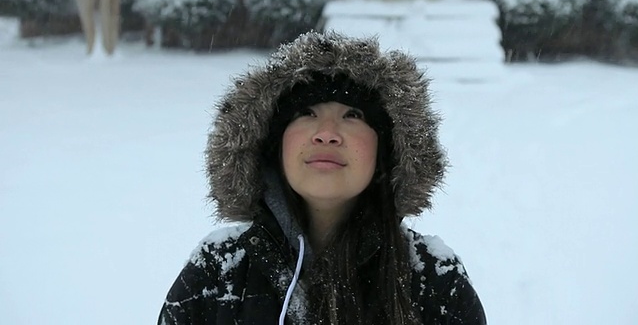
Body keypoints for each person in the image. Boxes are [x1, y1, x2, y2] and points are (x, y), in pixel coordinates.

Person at [158, 31, 486, 325]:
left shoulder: (436, 280)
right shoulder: (216, 270)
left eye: (352, 115)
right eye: (307, 113)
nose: (327, 134)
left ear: (386, 150)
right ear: (274, 145)